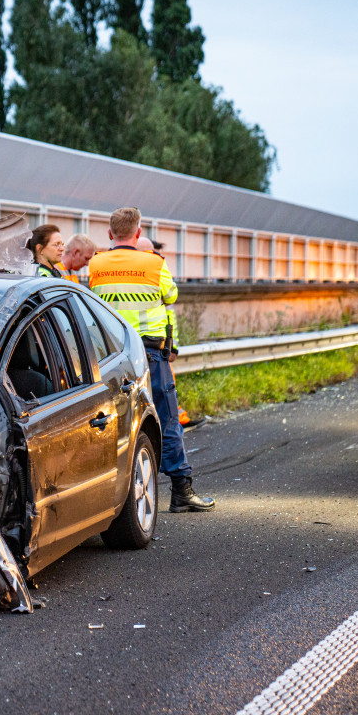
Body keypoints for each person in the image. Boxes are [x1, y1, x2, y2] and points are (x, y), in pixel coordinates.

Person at [88, 207, 215, 513]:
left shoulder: (96, 263)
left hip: (110, 355)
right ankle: (181, 491)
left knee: (112, 421)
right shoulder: (154, 263)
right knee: (167, 418)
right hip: (150, 353)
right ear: (139, 233)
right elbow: (171, 296)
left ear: (109, 234)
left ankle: (111, 496)